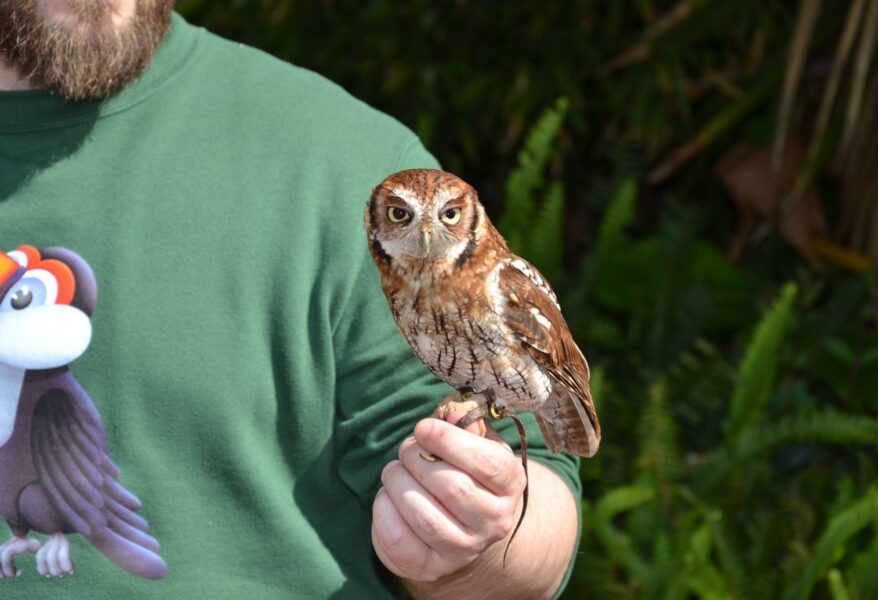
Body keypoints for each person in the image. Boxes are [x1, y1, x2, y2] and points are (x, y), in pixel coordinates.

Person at [0, 1, 582, 597]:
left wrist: (470, 532)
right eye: (404, 220)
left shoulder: (340, 159)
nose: (423, 233)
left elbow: (529, 513)